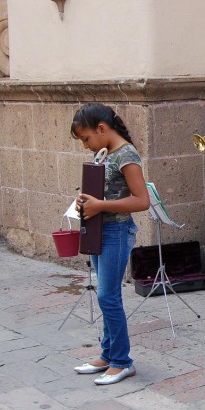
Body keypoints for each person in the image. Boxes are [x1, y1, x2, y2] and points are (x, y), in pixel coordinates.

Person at [70, 103, 149, 385]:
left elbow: (141, 200)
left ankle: (122, 361)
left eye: (86, 139)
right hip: (101, 229)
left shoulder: (126, 154)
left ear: (102, 129)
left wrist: (101, 205)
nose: (86, 145)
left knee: (108, 296)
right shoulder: (105, 153)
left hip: (117, 230)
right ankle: (107, 353)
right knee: (104, 295)